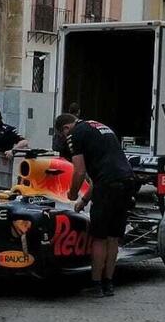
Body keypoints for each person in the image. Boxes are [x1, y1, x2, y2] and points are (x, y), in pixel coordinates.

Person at [56, 113, 136, 297]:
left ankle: (96, 284)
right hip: (127, 181)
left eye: (63, 134)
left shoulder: (75, 134)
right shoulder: (100, 126)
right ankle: (109, 283)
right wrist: (83, 200)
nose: (65, 138)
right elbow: (101, 174)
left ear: (66, 128)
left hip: (108, 185)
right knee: (113, 237)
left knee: (99, 238)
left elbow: (79, 171)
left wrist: (72, 193)